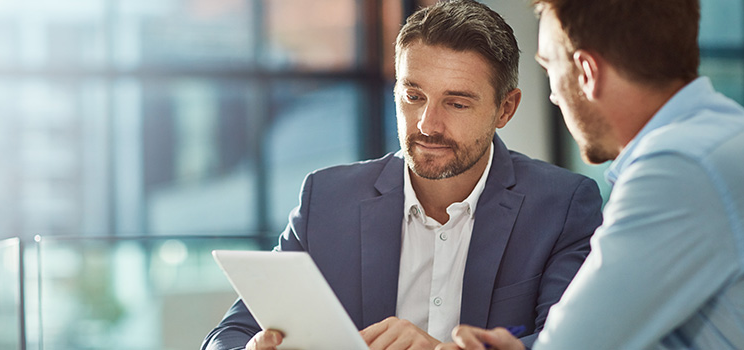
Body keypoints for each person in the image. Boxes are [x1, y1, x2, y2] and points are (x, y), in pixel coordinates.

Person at [201, 1, 603, 349]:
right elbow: (231, 333)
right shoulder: (326, 198)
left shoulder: (563, 206)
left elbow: (573, 340)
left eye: (457, 103)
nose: (428, 124)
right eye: (413, 97)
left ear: (505, 109)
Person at [437, 0, 744, 349]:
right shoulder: (725, 135)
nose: (553, 95)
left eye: (550, 67)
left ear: (587, 72)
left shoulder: (677, 168)